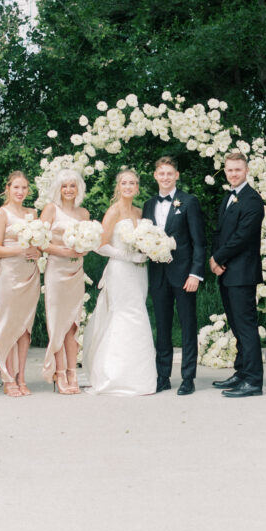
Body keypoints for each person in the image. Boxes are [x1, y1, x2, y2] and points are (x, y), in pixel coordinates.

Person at [82, 169, 158, 395]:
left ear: (137, 187)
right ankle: (114, 376)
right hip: (121, 271)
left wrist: (148, 250)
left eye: (132, 183)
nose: (128, 187)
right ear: (118, 186)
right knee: (123, 315)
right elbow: (101, 245)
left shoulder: (140, 210)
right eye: (124, 183)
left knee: (138, 314)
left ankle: (139, 377)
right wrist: (129, 257)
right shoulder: (113, 211)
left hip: (139, 271)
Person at [141, 156, 205, 395]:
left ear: (176, 175)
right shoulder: (148, 205)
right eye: (161, 173)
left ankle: (188, 377)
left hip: (184, 275)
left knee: (188, 327)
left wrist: (195, 274)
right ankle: (163, 376)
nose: (165, 177)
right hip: (158, 276)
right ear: (155, 176)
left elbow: (199, 242)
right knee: (162, 327)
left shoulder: (189, 202)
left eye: (170, 173)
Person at [210, 152, 266, 398]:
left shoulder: (252, 200)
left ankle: (253, 381)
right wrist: (216, 260)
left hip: (242, 273)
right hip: (227, 272)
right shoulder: (229, 197)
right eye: (230, 170)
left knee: (246, 327)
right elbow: (220, 233)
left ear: (246, 170)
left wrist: (218, 258)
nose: (233, 174)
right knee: (236, 325)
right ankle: (241, 371)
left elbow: (242, 237)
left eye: (237, 170)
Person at [0, 172, 42, 396]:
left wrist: (37, 251)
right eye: (16, 188)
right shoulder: (1, 214)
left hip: (30, 274)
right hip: (10, 274)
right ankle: (7, 376)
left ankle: (22, 377)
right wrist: (21, 250)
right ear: (8, 188)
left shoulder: (33, 213)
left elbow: (40, 245)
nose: (20, 192)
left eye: (24, 188)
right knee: (8, 325)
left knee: (25, 328)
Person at [40, 169, 91, 394]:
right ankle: (59, 373)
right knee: (58, 322)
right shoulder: (51, 210)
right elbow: (38, 240)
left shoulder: (84, 214)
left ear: (78, 188)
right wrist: (61, 250)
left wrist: (82, 250)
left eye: (72, 185)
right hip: (56, 271)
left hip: (75, 272)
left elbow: (88, 243)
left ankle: (72, 372)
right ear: (58, 189)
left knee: (73, 323)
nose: (68, 190)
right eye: (64, 186)